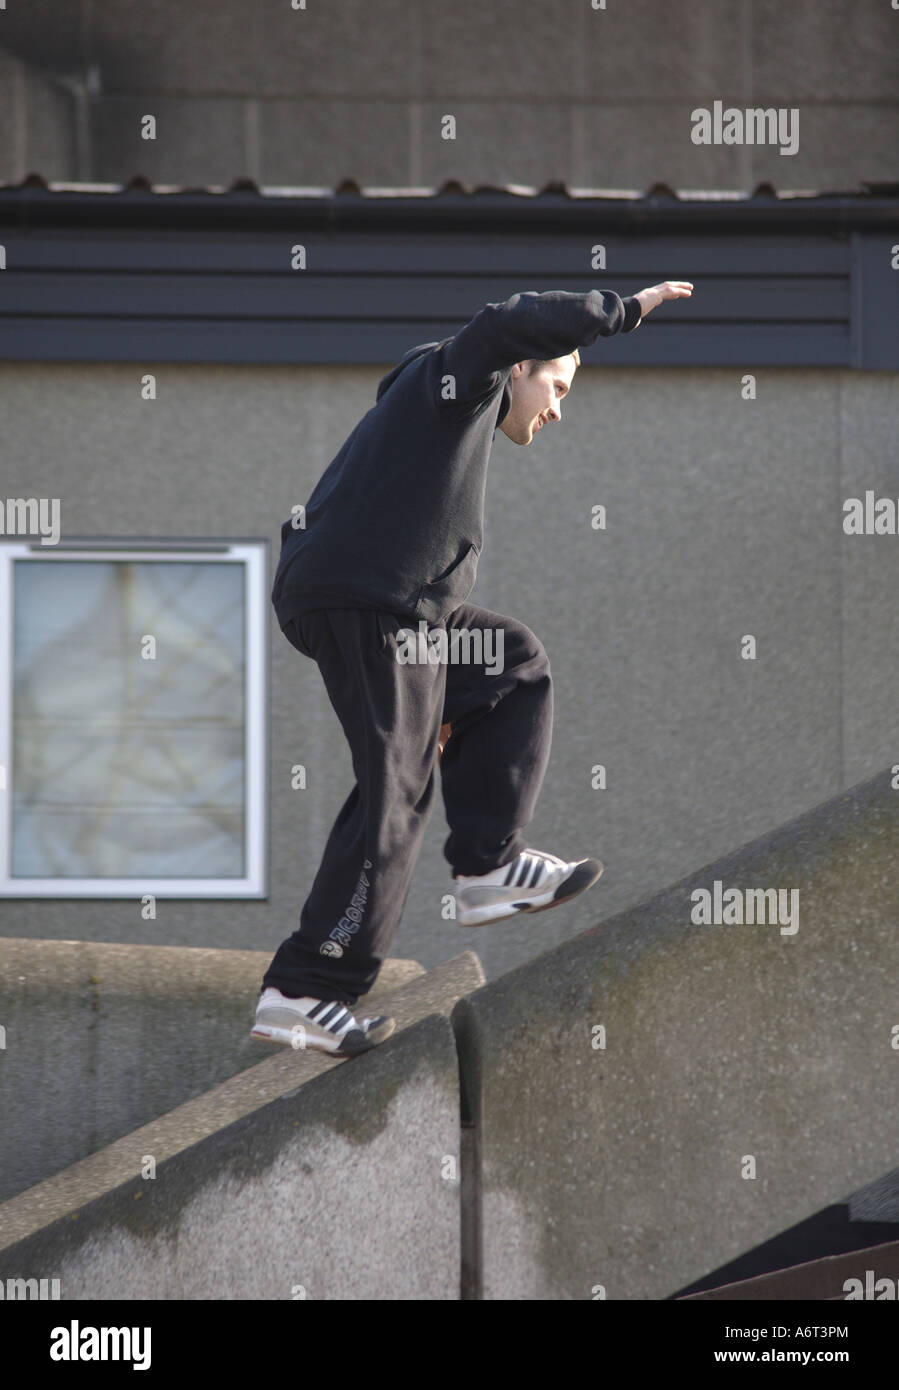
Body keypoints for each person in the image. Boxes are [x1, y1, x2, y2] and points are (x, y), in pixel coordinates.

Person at [251, 280, 693, 1057]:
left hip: (403, 609)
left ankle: (486, 869)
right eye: (556, 387)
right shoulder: (460, 380)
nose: (557, 410)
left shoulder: (437, 409)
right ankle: (305, 988)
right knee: (398, 785)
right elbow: (502, 322)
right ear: (520, 369)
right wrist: (617, 312)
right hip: (368, 598)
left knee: (511, 662)